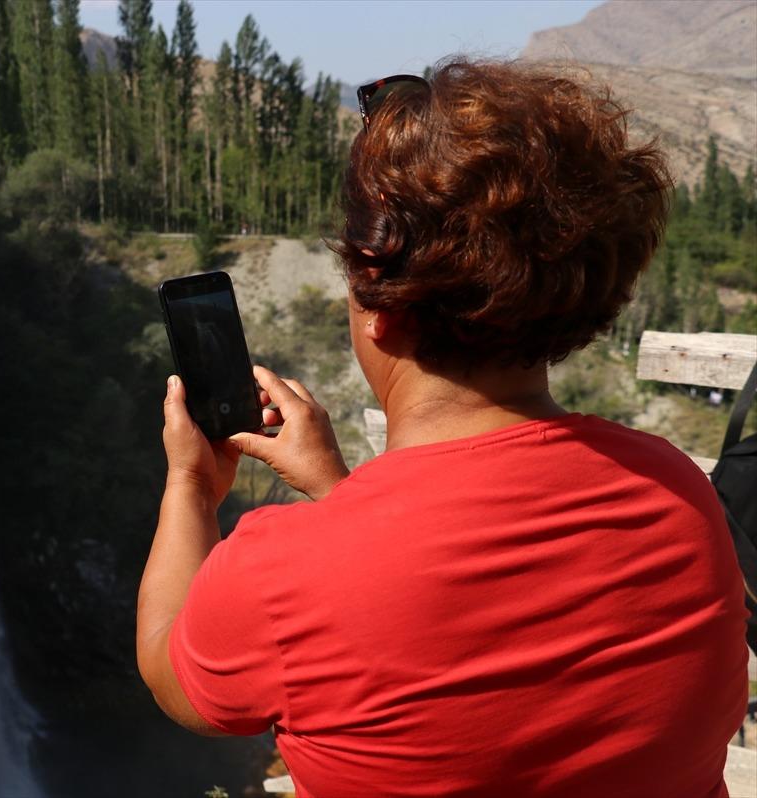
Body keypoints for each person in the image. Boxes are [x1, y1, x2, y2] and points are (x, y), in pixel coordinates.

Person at [136, 58, 749, 798]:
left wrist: (192, 486)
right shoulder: (677, 495)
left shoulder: (282, 574)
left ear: (380, 303)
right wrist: (342, 495)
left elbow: (173, 670)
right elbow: (480, 624)